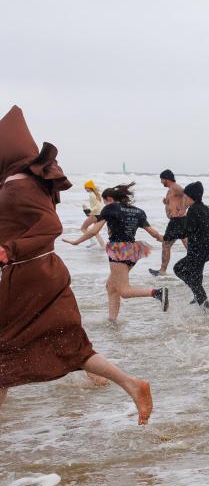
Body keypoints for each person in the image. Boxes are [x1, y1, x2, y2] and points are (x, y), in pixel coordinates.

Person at [0, 105, 152, 424]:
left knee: (6, 351)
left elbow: (50, 227)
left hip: (31, 274)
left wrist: (9, 249)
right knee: (70, 342)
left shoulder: (17, 185)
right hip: (42, 271)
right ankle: (131, 384)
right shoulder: (25, 183)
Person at [63, 184, 170, 320]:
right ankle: (112, 320)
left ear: (109, 198)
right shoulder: (138, 211)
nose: (104, 204)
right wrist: (163, 238)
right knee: (111, 286)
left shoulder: (110, 208)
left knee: (124, 291)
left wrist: (77, 241)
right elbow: (152, 232)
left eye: (105, 201)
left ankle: (157, 293)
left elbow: (94, 230)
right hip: (133, 250)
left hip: (118, 250)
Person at [173, 181, 209, 308]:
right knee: (196, 273)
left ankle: (204, 303)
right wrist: (203, 224)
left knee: (178, 269)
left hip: (198, 250)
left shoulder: (193, 210)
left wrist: (182, 217)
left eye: (185, 196)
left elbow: (187, 230)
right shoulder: (206, 209)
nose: (184, 199)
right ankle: (197, 294)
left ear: (190, 196)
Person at [151, 169, 188, 277]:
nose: (161, 182)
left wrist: (183, 208)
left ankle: (162, 271)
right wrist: (166, 203)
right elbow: (173, 202)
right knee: (188, 245)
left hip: (178, 220)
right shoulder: (170, 190)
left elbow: (186, 194)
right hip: (176, 221)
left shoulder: (176, 187)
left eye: (161, 179)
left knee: (166, 244)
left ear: (166, 178)